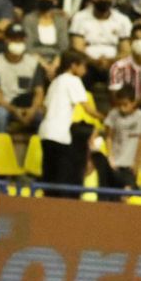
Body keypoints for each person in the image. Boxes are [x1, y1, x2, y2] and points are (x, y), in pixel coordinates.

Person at [39, 50, 101, 194]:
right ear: (74, 65)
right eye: (83, 66)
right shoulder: (73, 80)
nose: (85, 70)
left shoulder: (55, 81)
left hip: (45, 132)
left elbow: (45, 107)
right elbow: (87, 108)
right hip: (60, 135)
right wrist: (104, 117)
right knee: (62, 179)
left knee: (48, 175)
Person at [98, 86, 141, 191]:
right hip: (114, 163)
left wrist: (136, 163)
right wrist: (110, 157)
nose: (122, 108)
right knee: (109, 194)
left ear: (133, 103)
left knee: (127, 193)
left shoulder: (140, 116)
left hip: (129, 165)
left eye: (125, 104)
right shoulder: (113, 114)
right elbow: (109, 136)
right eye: (119, 104)